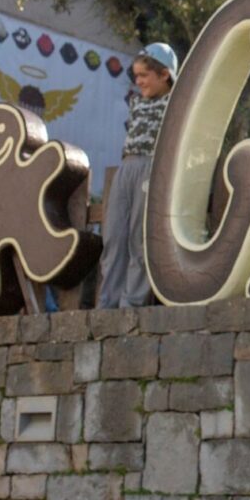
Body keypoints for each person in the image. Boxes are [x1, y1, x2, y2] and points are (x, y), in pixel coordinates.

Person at [96, 43, 177, 309]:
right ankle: (108, 301)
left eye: (144, 75)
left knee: (139, 237)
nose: (139, 81)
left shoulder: (174, 102)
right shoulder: (138, 102)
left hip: (151, 166)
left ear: (164, 75)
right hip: (127, 166)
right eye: (136, 75)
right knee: (114, 235)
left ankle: (131, 302)